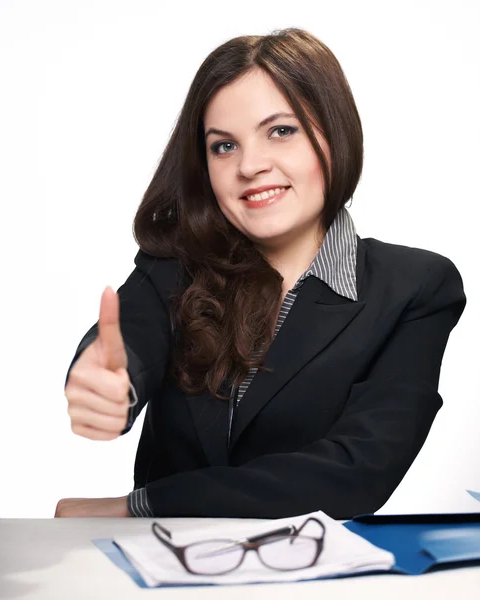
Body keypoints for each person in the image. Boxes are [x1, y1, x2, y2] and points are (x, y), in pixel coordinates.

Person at [56, 28, 466, 520]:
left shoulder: (415, 287)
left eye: (281, 131)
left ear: (334, 136)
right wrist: (107, 384)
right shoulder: (174, 266)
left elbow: (358, 469)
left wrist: (141, 506)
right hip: (168, 581)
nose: (250, 165)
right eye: (223, 146)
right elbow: (128, 345)